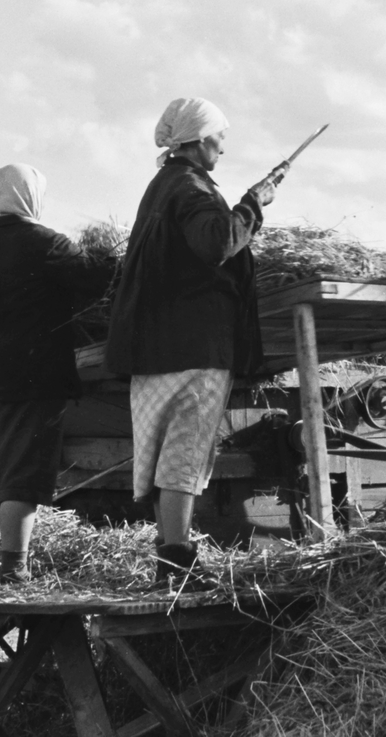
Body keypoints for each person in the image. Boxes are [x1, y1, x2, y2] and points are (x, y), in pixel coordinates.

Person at [103, 98, 277, 586]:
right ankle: (176, 561)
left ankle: (171, 552)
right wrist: (252, 204)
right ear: (201, 142)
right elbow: (217, 242)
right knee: (185, 456)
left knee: (165, 458)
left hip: (154, 348)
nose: (224, 144)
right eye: (220, 136)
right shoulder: (192, 187)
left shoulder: (161, 186)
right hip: (194, 348)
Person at [0, 164, 115, 582]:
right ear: (28, 196)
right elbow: (97, 278)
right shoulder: (42, 241)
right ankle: (14, 568)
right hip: (33, 373)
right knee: (25, 477)